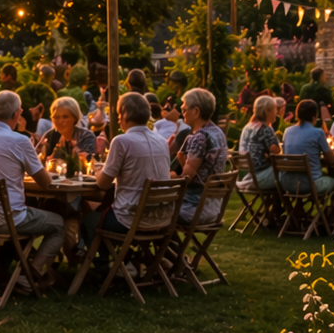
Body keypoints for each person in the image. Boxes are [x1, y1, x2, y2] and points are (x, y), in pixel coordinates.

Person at [0, 91, 63, 288]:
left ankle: (1, 266)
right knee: (58, 223)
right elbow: (44, 183)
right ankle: (31, 273)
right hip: (6, 220)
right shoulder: (20, 140)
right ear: (18, 114)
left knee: (23, 210)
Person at [95, 92, 171, 233]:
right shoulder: (161, 141)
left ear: (124, 115)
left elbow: (103, 184)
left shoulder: (122, 141)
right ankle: (124, 254)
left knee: (88, 220)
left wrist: (98, 172)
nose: (118, 121)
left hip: (131, 219)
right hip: (162, 218)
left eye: (118, 116)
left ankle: (102, 255)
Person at [174, 89, 229, 225]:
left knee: (150, 212)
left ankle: (166, 246)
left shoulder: (199, 137)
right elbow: (201, 173)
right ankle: (172, 246)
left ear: (196, 111)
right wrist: (184, 164)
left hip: (193, 208)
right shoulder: (218, 133)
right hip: (214, 208)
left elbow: (186, 179)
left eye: (185, 108)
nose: (182, 112)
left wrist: (169, 176)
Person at [278, 100, 334, 201]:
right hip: (309, 184)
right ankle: (331, 213)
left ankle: (300, 209)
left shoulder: (287, 131)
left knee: (323, 176)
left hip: (287, 183)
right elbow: (331, 159)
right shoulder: (318, 133)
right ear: (313, 117)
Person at [236, 95, 282, 191]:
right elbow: (276, 152)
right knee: (290, 173)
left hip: (246, 176)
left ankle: (275, 205)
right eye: (275, 110)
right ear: (267, 111)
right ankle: (285, 205)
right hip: (258, 177)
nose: (276, 113)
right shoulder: (265, 129)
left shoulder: (247, 127)